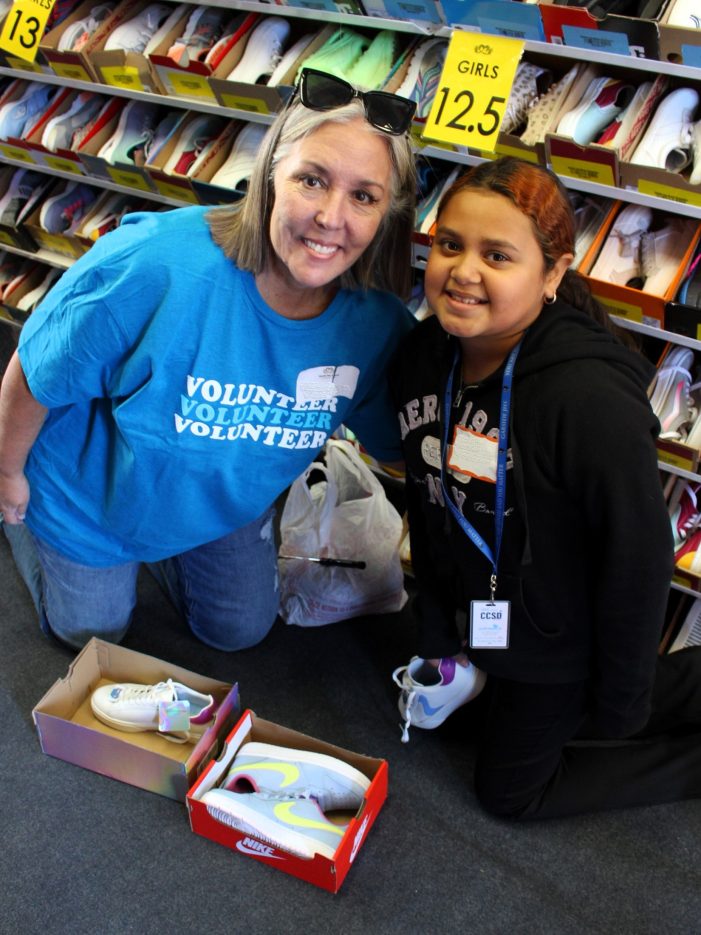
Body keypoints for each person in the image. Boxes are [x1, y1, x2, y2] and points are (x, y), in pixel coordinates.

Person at [0, 69, 417, 652]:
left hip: (221, 508)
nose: (331, 218)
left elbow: (409, 444)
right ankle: (22, 514)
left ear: (387, 212)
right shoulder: (156, 265)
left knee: (238, 631)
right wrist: (8, 474)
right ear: (271, 174)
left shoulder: (376, 326)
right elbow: (36, 367)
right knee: (91, 633)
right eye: (312, 180)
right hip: (86, 499)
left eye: (364, 196)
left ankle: (164, 543)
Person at [391, 156, 701, 820]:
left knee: (509, 794)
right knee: (488, 725)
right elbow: (428, 500)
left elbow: (636, 561)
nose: (464, 271)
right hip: (489, 618)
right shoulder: (421, 356)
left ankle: (657, 701)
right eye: (450, 244)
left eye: (496, 255)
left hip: (561, 636)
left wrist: (621, 701)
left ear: (552, 273)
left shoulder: (586, 398)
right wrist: (439, 628)